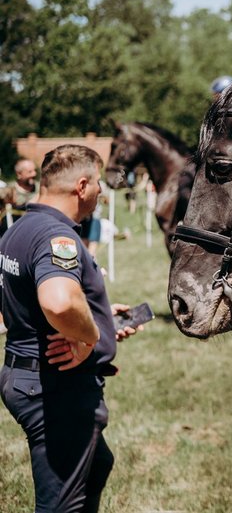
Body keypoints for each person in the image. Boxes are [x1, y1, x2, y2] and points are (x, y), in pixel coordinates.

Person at [0, 144, 140, 512]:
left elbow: (26, 299)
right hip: (54, 388)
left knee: (97, 466)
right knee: (60, 505)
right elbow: (58, 301)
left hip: (26, 374)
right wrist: (90, 335)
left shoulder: (19, 230)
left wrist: (101, 314)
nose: (100, 193)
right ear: (82, 186)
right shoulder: (56, 237)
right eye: (98, 185)